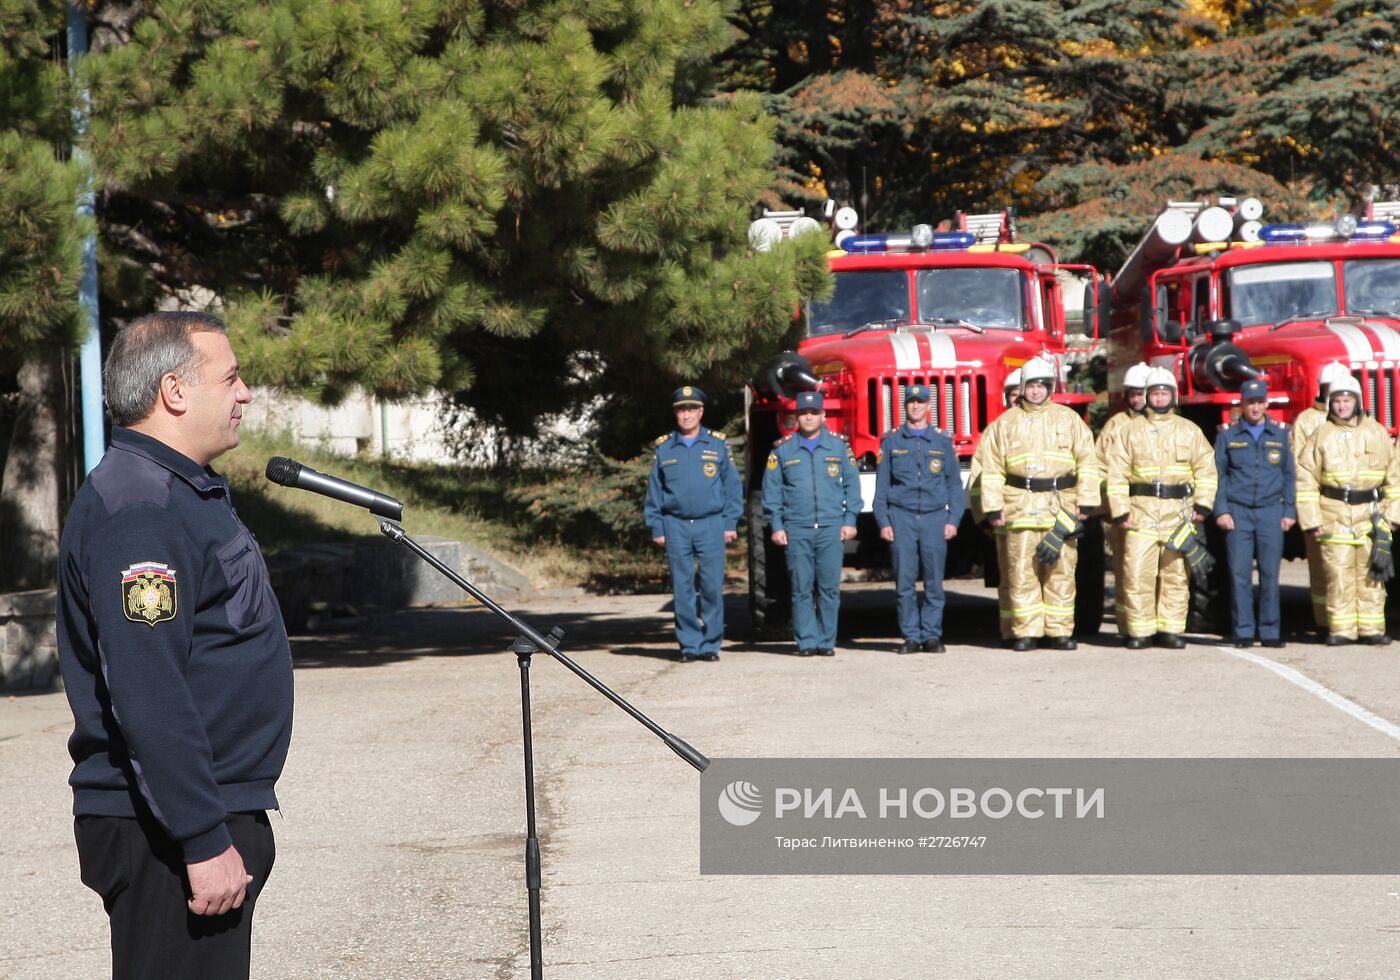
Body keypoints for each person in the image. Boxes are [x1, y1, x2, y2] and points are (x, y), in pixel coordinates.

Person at [55, 311, 293, 980]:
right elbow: (148, 685)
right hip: (162, 830)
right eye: (232, 377)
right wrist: (200, 835)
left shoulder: (178, 490)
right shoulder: (140, 508)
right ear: (175, 391)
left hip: (196, 812)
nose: (244, 393)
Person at [976, 356, 1100, 650]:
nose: (1036, 391)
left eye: (1042, 385)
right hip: (1019, 507)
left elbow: (1088, 462)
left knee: (1062, 572)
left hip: (1062, 508)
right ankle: (1026, 632)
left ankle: (1059, 632)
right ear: (1022, 388)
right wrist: (993, 508)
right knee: (1022, 573)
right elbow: (991, 469)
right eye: (1031, 386)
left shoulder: (1069, 419)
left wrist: (1087, 503)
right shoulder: (1004, 424)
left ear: (1050, 387)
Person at [1105, 368, 1218, 649]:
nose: (1159, 397)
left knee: (1176, 575)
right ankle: (1140, 631)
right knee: (1137, 573)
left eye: (1164, 392)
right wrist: (1120, 510)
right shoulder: (1128, 431)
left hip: (1178, 514)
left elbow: (1206, 471)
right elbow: (1116, 474)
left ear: (1173, 396)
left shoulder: (1189, 431)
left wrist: (1203, 504)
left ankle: (1171, 630)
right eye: (1154, 393)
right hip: (1140, 512)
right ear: (1146, 397)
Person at [1295, 373, 1400, 645]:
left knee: (1372, 574)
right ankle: (1341, 630)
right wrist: (1312, 520)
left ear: (1358, 402)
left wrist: (1392, 517)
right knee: (1338, 574)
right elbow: (1305, 479)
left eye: (1347, 400)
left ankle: (1372, 629)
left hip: (1371, 515)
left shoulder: (1377, 432)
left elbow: (1395, 478)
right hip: (1333, 514)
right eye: (1337, 401)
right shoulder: (1321, 435)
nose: (1342, 406)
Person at [644, 385, 743, 662]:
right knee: (683, 587)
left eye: (691, 409)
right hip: (675, 525)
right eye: (681, 410)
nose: (686, 415)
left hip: (711, 524)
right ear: (676, 414)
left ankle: (711, 644)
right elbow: (655, 491)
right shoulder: (665, 448)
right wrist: (656, 526)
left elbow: (732, 488)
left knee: (711, 586)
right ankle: (689, 645)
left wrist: (730, 522)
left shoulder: (717, 445)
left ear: (700, 412)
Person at [762, 391, 861, 656]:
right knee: (801, 588)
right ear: (797, 416)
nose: (808, 417)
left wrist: (850, 519)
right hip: (797, 528)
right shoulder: (782, 450)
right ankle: (806, 642)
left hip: (830, 527)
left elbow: (852, 485)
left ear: (823, 415)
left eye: (814, 412)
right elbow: (771, 492)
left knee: (829, 589)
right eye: (804, 413)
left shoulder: (839, 447)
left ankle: (827, 642)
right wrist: (777, 525)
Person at [873, 384, 966, 653]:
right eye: (911, 402)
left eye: (920, 402)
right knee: (905, 582)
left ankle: (933, 635)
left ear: (928, 406)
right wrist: (884, 522)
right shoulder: (890, 442)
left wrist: (954, 520)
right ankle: (911, 636)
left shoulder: (942, 442)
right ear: (905, 406)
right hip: (901, 516)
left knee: (934, 581)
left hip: (935, 517)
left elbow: (954, 486)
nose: (915, 406)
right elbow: (882, 488)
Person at [1213, 379, 1296, 648]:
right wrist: (1222, 510)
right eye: (1251, 402)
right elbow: (1219, 476)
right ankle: (1244, 631)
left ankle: (1271, 632)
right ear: (1243, 404)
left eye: (1260, 402)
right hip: (1238, 512)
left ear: (1266, 403)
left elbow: (1290, 476)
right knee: (1239, 576)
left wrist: (1289, 511)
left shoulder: (1281, 434)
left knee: (1270, 575)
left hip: (1271, 511)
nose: (1256, 407)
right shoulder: (1228, 435)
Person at [1291, 361, 1350, 632]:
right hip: (1321, 504)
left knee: (1356, 568)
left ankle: (1352, 623)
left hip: (1354, 506)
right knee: (1320, 567)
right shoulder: (1307, 420)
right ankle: (1325, 622)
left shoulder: (1363, 421)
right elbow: (1300, 467)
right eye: (1330, 389)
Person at [1097, 362, 1152, 632]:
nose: (1138, 399)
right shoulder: (1115, 426)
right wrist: (1108, 507)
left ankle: (1158, 626)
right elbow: (1100, 468)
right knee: (1125, 570)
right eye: (1134, 393)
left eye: (1143, 393)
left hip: (1160, 510)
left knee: (1162, 572)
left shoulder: (1172, 425)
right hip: (1124, 512)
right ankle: (1128, 625)